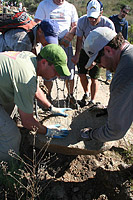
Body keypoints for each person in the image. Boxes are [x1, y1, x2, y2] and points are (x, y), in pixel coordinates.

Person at [0, 44, 71, 161]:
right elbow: (27, 122)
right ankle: (7, 171)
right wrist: (47, 131)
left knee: (7, 117)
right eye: (56, 70)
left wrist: (50, 107)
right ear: (44, 62)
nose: (57, 75)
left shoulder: (30, 58)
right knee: (11, 135)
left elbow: (35, 88)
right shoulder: (25, 78)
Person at [0, 19, 70, 117]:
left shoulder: (32, 34)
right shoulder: (23, 41)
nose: (48, 43)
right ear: (40, 31)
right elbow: (23, 79)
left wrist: (50, 108)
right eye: (47, 38)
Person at [80, 27, 133, 142]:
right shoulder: (129, 53)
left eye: (98, 60)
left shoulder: (124, 74)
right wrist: (112, 109)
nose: (99, 65)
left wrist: (91, 134)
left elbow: (115, 131)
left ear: (108, 50)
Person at [34, 0, 78, 108]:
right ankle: (47, 96)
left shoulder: (70, 7)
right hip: (48, 43)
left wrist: (69, 36)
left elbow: (75, 26)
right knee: (47, 72)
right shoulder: (44, 4)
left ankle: (70, 95)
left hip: (65, 44)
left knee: (68, 71)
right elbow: (37, 22)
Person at [72, 0, 115, 107]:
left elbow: (112, 44)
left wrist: (95, 61)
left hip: (100, 52)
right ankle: (86, 93)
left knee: (94, 77)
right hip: (85, 49)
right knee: (82, 73)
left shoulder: (108, 24)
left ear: (101, 12)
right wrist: (77, 54)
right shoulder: (82, 21)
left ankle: (92, 100)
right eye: (90, 17)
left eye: (95, 17)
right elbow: (79, 39)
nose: (92, 20)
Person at [105, 4, 131, 85]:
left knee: (117, 61)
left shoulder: (125, 23)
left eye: (126, 13)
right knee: (108, 58)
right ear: (120, 10)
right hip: (110, 40)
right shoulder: (112, 19)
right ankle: (108, 78)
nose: (124, 14)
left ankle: (114, 78)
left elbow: (125, 35)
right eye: (123, 12)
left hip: (118, 44)